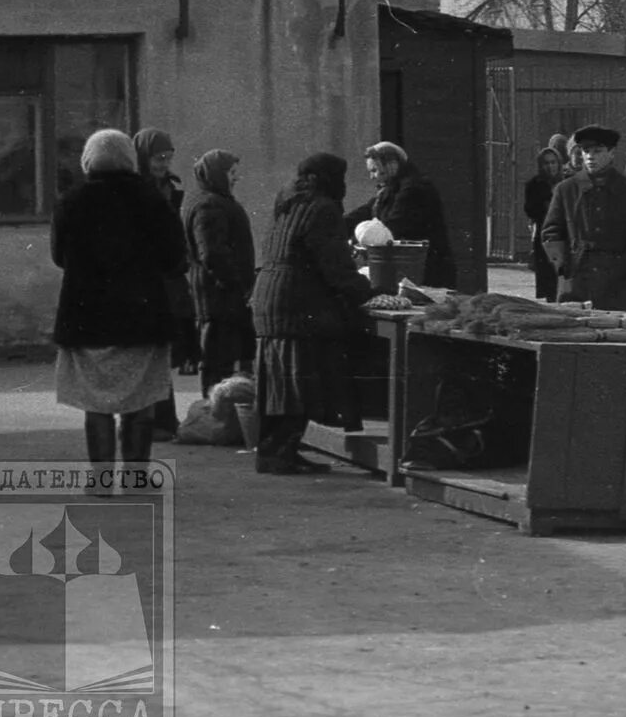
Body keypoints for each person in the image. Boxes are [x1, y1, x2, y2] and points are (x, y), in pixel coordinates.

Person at [50, 129, 187, 477]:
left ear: (88, 159)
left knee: (95, 404)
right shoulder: (150, 198)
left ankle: (100, 479)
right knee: (139, 402)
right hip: (142, 318)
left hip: (87, 319)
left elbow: (58, 256)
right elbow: (174, 257)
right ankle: (136, 478)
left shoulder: (72, 199)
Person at [250, 153, 375, 476]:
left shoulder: (288, 202)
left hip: (271, 298)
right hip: (297, 303)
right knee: (297, 384)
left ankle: (273, 452)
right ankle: (281, 454)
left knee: (278, 385)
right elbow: (334, 266)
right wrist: (370, 294)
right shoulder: (323, 208)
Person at [539, 124, 626, 312]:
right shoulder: (566, 189)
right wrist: (563, 266)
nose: (591, 156)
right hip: (576, 278)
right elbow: (551, 231)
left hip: (616, 282)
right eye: (586, 151)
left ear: (611, 153)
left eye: (598, 151)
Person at [130, 127, 193, 437]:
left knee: (162, 352)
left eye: (167, 158)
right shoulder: (134, 188)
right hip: (145, 281)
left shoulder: (168, 187)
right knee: (148, 354)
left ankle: (163, 420)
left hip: (168, 279)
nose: (163, 164)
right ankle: (152, 421)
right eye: (158, 158)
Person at [183, 149, 257, 390]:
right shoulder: (210, 205)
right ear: (218, 174)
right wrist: (238, 285)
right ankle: (216, 418)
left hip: (219, 297)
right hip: (219, 299)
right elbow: (212, 254)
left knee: (222, 363)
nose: (236, 178)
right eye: (231, 172)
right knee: (218, 365)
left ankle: (221, 417)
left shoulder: (210, 200)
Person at [348, 141, 457, 288]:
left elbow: (393, 226)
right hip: (415, 269)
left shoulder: (413, 189)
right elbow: (365, 211)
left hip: (425, 270)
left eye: (375, 170)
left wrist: (358, 238)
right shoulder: (392, 189)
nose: (372, 177)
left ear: (392, 165)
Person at [523, 146, 566, 300]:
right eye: (546, 163)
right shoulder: (534, 185)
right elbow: (530, 209)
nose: (550, 166)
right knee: (546, 280)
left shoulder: (566, 182)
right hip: (544, 236)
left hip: (564, 236)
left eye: (553, 162)